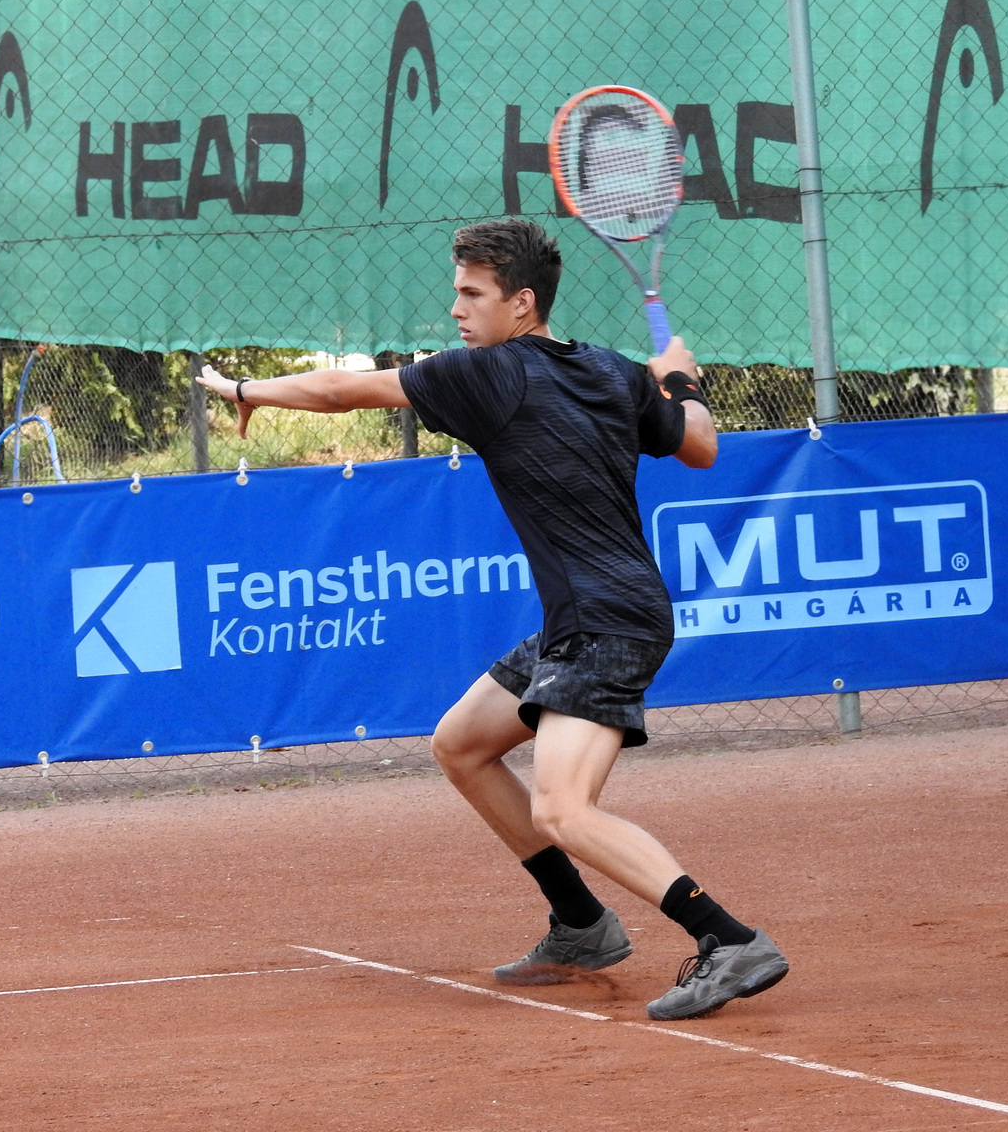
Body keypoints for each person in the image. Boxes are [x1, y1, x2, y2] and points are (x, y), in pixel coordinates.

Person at [197, 218, 787, 1020]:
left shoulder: (487, 373)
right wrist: (677, 380)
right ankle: (580, 923)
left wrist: (245, 391)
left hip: (604, 621)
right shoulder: (612, 371)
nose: (455, 310)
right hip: (590, 615)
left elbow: (339, 392)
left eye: (470, 294)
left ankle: (726, 937)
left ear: (521, 303)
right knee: (462, 743)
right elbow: (700, 444)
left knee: (562, 808)